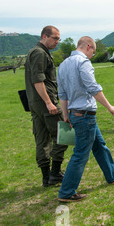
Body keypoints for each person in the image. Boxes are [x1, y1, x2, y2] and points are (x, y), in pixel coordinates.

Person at [57, 36, 114, 202]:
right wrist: (110, 107)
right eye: (93, 52)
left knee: (99, 145)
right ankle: (66, 192)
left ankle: (111, 174)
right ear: (88, 46)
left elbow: (62, 94)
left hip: (75, 114)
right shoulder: (83, 63)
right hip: (85, 115)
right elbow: (93, 88)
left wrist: (66, 115)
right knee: (80, 154)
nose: (92, 56)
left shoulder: (63, 65)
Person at [24, 25, 68, 187]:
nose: (57, 41)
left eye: (58, 38)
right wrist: (49, 103)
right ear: (44, 36)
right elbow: (38, 79)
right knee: (64, 135)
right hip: (45, 102)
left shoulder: (36, 52)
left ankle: (46, 178)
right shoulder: (39, 53)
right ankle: (55, 173)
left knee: (42, 139)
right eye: (54, 38)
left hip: (36, 103)